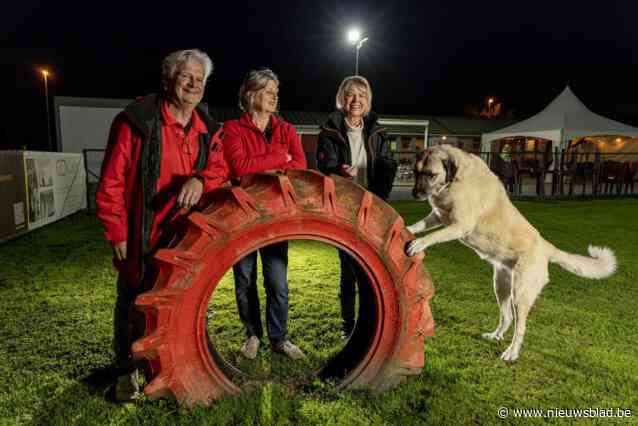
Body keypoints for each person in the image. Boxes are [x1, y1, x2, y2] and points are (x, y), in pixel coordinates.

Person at [96, 49, 230, 401]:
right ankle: (127, 372)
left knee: (180, 304)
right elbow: (111, 182)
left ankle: (167, 365)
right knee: (132, 303)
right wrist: (117, 232)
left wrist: (201, 180)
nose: (194, 83)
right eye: (186, 75)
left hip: (186, 239)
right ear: (168, 78)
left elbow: (220, 169)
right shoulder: (136, 121)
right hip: (142, 233)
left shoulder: (207, 128)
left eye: (200, 78)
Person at [222, 68, 307, 360]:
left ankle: (279, 338)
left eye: (276, 92)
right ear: (250, 94)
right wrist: (277, 160)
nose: (274, 96)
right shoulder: (232, 129)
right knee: (245, 280)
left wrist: (267, 164)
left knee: (277, 282)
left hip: (275, 217)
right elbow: (238, 167)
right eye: (268, 91)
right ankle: (252, 336)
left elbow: (299, 166)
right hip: (243, 217)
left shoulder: (286, 130)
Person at [316, 75, 397, 339]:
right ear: (342, 98)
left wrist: (379, 202)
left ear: (368, 101)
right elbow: (324, 169)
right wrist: (339, 171)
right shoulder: (329, 130)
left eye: (362, 95)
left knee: (372, 268)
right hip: (346, 207)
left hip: (373, 207)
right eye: (351, 94)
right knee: (348, 268)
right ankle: (347, 324)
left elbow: (387, 165)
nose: (356, 100)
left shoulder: (378, 131)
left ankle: (370, 321)